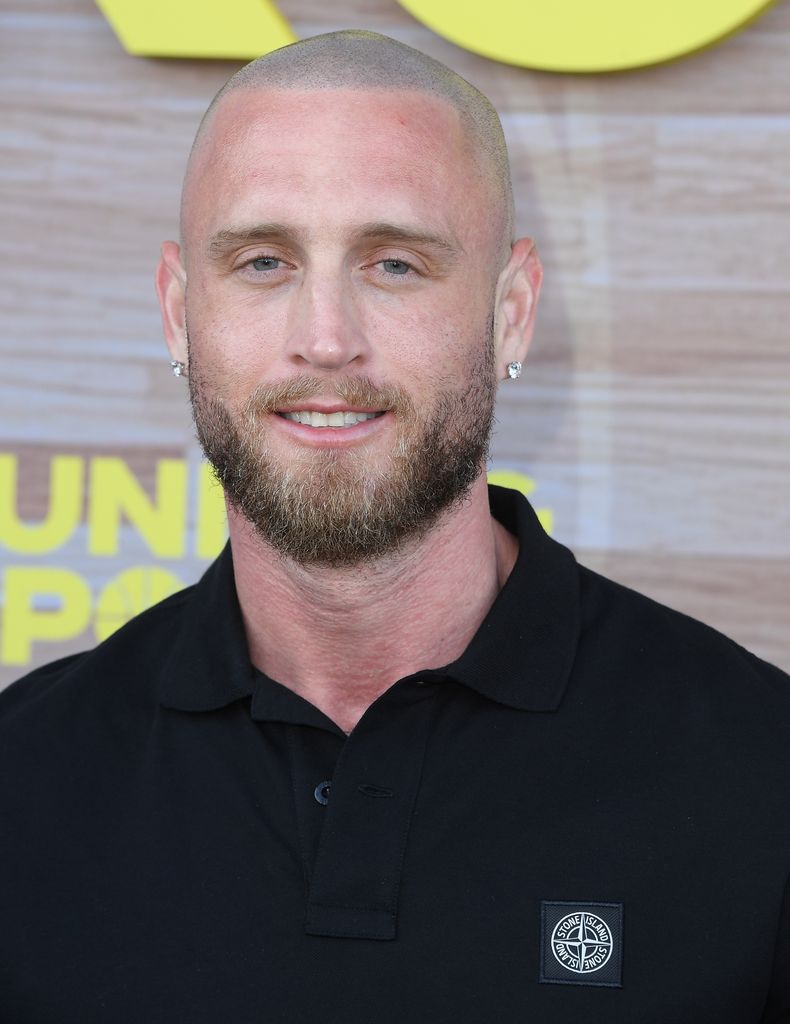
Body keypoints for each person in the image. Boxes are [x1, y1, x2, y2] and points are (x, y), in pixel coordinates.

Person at [1, 29, 788, 1023]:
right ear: (178, 311)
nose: (325, 337)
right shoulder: (23, 784)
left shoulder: (761, 775)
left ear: (510, 312)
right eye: (261, 261)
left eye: (396, 265)